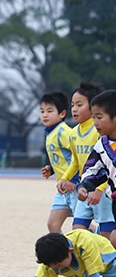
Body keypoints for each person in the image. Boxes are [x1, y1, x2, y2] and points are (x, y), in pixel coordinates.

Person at [57, 81, 114, 238]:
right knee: (78, 228)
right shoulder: (74, 133)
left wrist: (99, 190)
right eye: (72, 105)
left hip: (102, 192)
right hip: (85, 188)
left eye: (79, 104)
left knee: (108, 234)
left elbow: (106, 168)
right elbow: (79, 163)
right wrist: (66, 178)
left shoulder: (98, 133)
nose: (74, 109)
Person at [16, 230, 116, 277]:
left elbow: (94, 272)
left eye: (59, 265)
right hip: (82, 271)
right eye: (54, 267)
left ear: (70, 251)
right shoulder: (52, 258)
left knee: (96, 271)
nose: (57, 269)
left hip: (107, 261)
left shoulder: (84, 242)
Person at [76, 89, 116, 246]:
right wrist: (84, 185)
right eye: (93, 118)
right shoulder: (101, 146)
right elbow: (94, 170)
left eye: (99, 117)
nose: (95, 122)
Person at [39, 91, 76, 233]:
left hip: (74, 186)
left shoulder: (63, 132)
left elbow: (78, 155)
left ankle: (103, 243)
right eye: (42, 111)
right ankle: (65, 255)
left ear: (62, 114)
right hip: (62, 189)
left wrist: (73, 179)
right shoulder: (51, 132)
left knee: (80, 226)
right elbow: (63, 156)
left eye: (50, 111)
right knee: (53, 225)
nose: (45, 115)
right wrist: (52, 168)